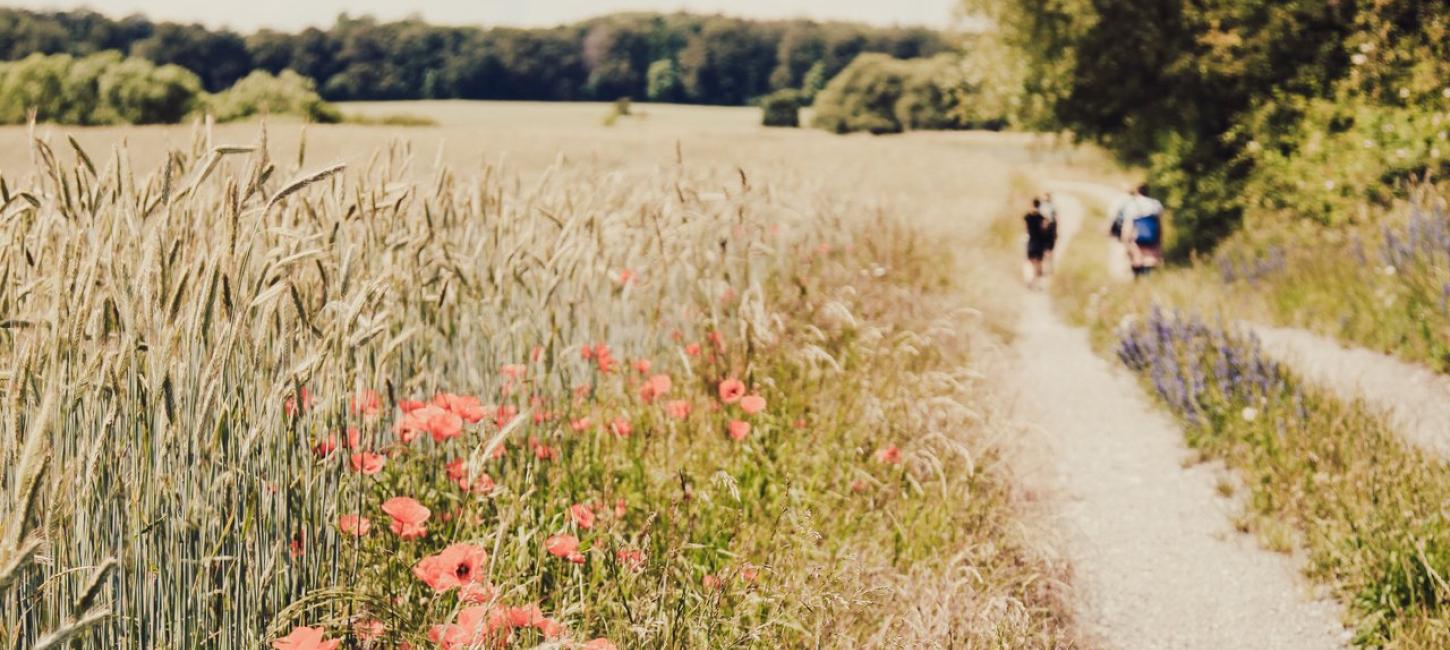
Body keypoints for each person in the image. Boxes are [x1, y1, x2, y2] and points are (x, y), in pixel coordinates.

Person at [1119, 184, 1164, 277]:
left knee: (1137, 259)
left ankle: (1138, 280)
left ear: (1138, 191)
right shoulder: (1156, 204)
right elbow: (1159, 223)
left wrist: (1125, 240)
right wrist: (1159, 239)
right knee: (1149, 260)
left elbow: (1128, 224)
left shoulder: (1132, 204)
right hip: (1152, 236)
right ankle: (1147, 280)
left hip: (1136, 236)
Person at [1023, 198, 1050, 288]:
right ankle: (1036, 282)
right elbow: (1045, 231)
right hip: (1039, 243)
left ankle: (1033, 281)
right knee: (1038, 263)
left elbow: (1025, 229)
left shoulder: (1027, 217)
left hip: (1032, 242)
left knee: (1032, 262)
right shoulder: (1042, 218)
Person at [1040, 192, 1059, 273]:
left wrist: (1055, 231)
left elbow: (1055, 220)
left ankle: (1050, 267)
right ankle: (1044, 268)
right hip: (1045, 230)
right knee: (1044, 251)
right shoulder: (1042, 206)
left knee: (1049, 251)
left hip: (1049, 229)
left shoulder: (1051, 207)